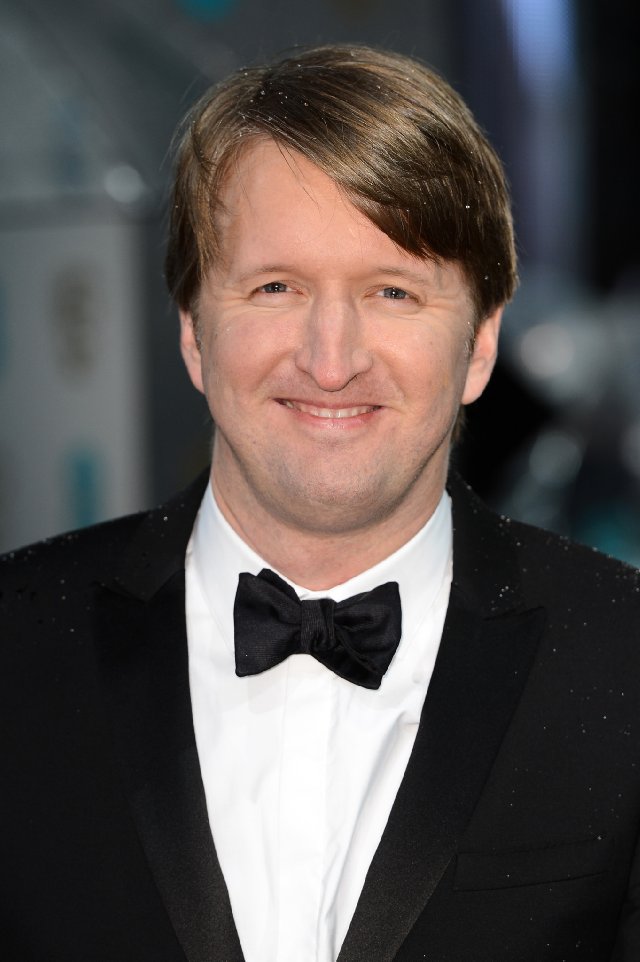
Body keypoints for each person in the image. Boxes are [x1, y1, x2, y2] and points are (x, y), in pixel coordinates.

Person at [1, 44, 639, 962]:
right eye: (276, 287)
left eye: (393, 292)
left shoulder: (623, 658)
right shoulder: (15, 645)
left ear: (481, 344)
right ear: (193, 332)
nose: (331, 359)